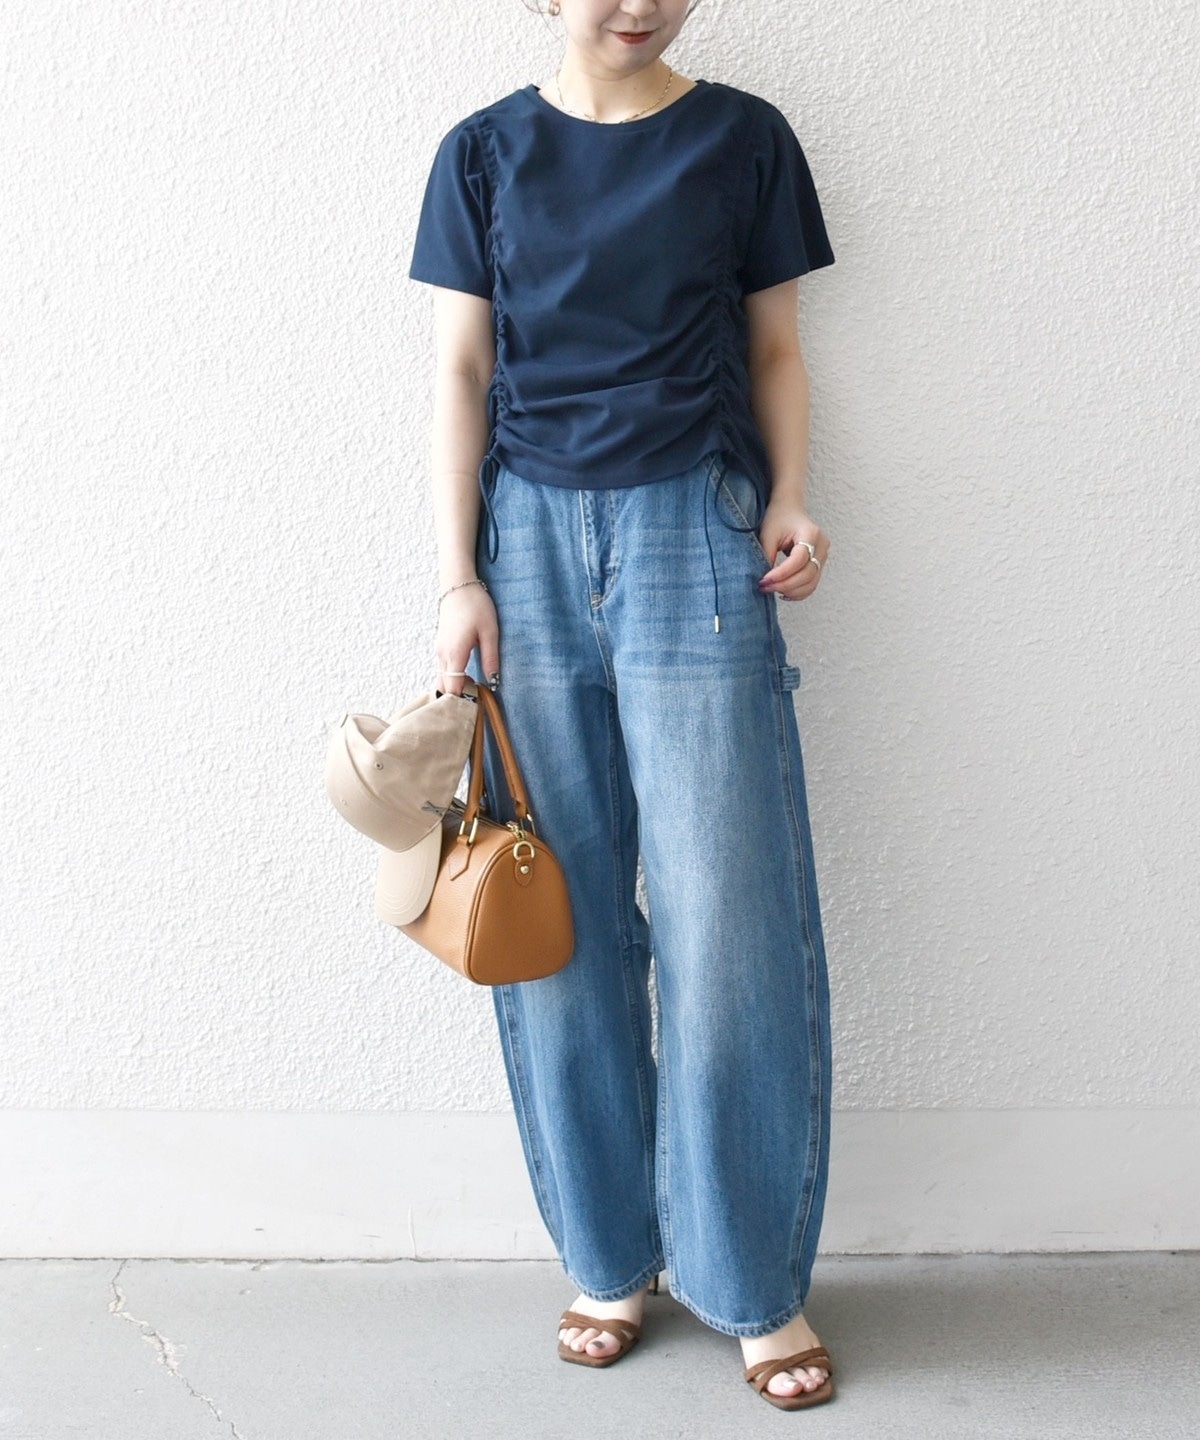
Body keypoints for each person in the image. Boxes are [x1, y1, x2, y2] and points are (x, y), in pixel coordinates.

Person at [407, 0, 836, 1412]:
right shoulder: (482, 153)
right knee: (558, 913)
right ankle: (608, 1258)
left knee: (729, 919)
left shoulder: (744, 140)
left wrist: (790, 496)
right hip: (525, 548)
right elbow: (460, 370)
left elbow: (774, 347)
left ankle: (752, 1280)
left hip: (695, 537)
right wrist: (458, 577)